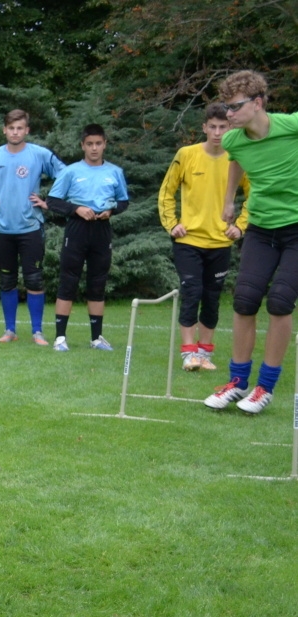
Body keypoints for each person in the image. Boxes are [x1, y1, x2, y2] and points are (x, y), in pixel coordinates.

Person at [203, 70, 298, 414]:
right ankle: (238, 382)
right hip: (260, 228)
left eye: (234, 107)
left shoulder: (291, 126)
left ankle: (265, 387)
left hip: (297, 228)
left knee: (280, 301)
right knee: (244, 300)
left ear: (257, 104)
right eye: (226, 108)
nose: (228, 115)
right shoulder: (232, 140)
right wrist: (229, 200)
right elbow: (235, 163)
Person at [159, 103, 250, 371]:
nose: (218, 132)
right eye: (213, 126)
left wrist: (241, 226)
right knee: (192, 291)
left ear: (231, 127)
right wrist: (172, 224)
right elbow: (166, 191)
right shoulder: (186, 154)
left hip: (220, 242)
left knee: (211, 297)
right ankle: (189, 353)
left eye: (223, 127)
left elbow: (255, 193)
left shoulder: (238, 157)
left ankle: (205, 353)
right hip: (189, 241)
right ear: (204, 127)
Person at [0, 109, 66, 345]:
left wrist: (48, 202)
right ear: (4, 129)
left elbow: (66, 175)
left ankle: (37, 332)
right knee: (7, 281)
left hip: (31, 228)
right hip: (1, 229)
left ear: (27, 130)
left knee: (34, 279)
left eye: (20, 128)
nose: (15, 132)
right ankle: (10, 331)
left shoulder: (39, 154)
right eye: (11, 128)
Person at [46, 124, 131, 352]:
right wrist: (76, 209)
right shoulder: (71, 171)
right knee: (69, 280)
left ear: (105, 145)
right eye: (90, 144)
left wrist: (111, 211)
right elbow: (53, 201)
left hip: (101, 230)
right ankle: (60, 338)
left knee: (97, 282)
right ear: (82, 145)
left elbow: (123, 201)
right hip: (77, 229)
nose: (94, 148)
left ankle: (96, 338)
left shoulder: (115, 172)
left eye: (98, 144)